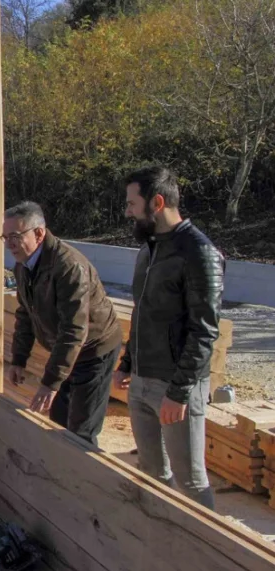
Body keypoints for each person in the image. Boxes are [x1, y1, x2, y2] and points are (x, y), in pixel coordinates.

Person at [113, 166, 224, 510]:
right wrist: (127, 362)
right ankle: (162, 550)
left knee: (190, 481)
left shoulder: (198, 253)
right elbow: (143, 312)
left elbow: (204, 331)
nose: (128, 211)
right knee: (151, 474)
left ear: (157, 203)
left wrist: (179, 392)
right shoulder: (149, 249)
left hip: (176, 388)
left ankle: (208, 556)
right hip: (143, 382)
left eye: (133, 204)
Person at [5, 201, 123, 446]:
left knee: (82, 432)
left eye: (15, 236)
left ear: (38, 233)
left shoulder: (68, 266)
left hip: (94, 350)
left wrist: (50, 383)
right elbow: (26, 314)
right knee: (59, 422)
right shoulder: (23, 266)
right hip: (67, 350)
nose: (9, 244)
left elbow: (74, 329)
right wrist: (18, 359)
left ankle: (87, 479)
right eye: (5, 237)